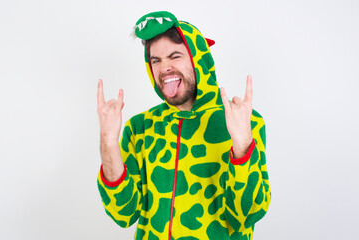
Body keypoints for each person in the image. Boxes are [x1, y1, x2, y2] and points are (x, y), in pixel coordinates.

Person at [97, 11, 271, 240]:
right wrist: (109, 143)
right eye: (156, 60)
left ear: (198, 59)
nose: (164, 67)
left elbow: (246, 215)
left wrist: (242, 146)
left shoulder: (243, 120)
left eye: (174, 56)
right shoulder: (140, 127)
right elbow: (124, 214)